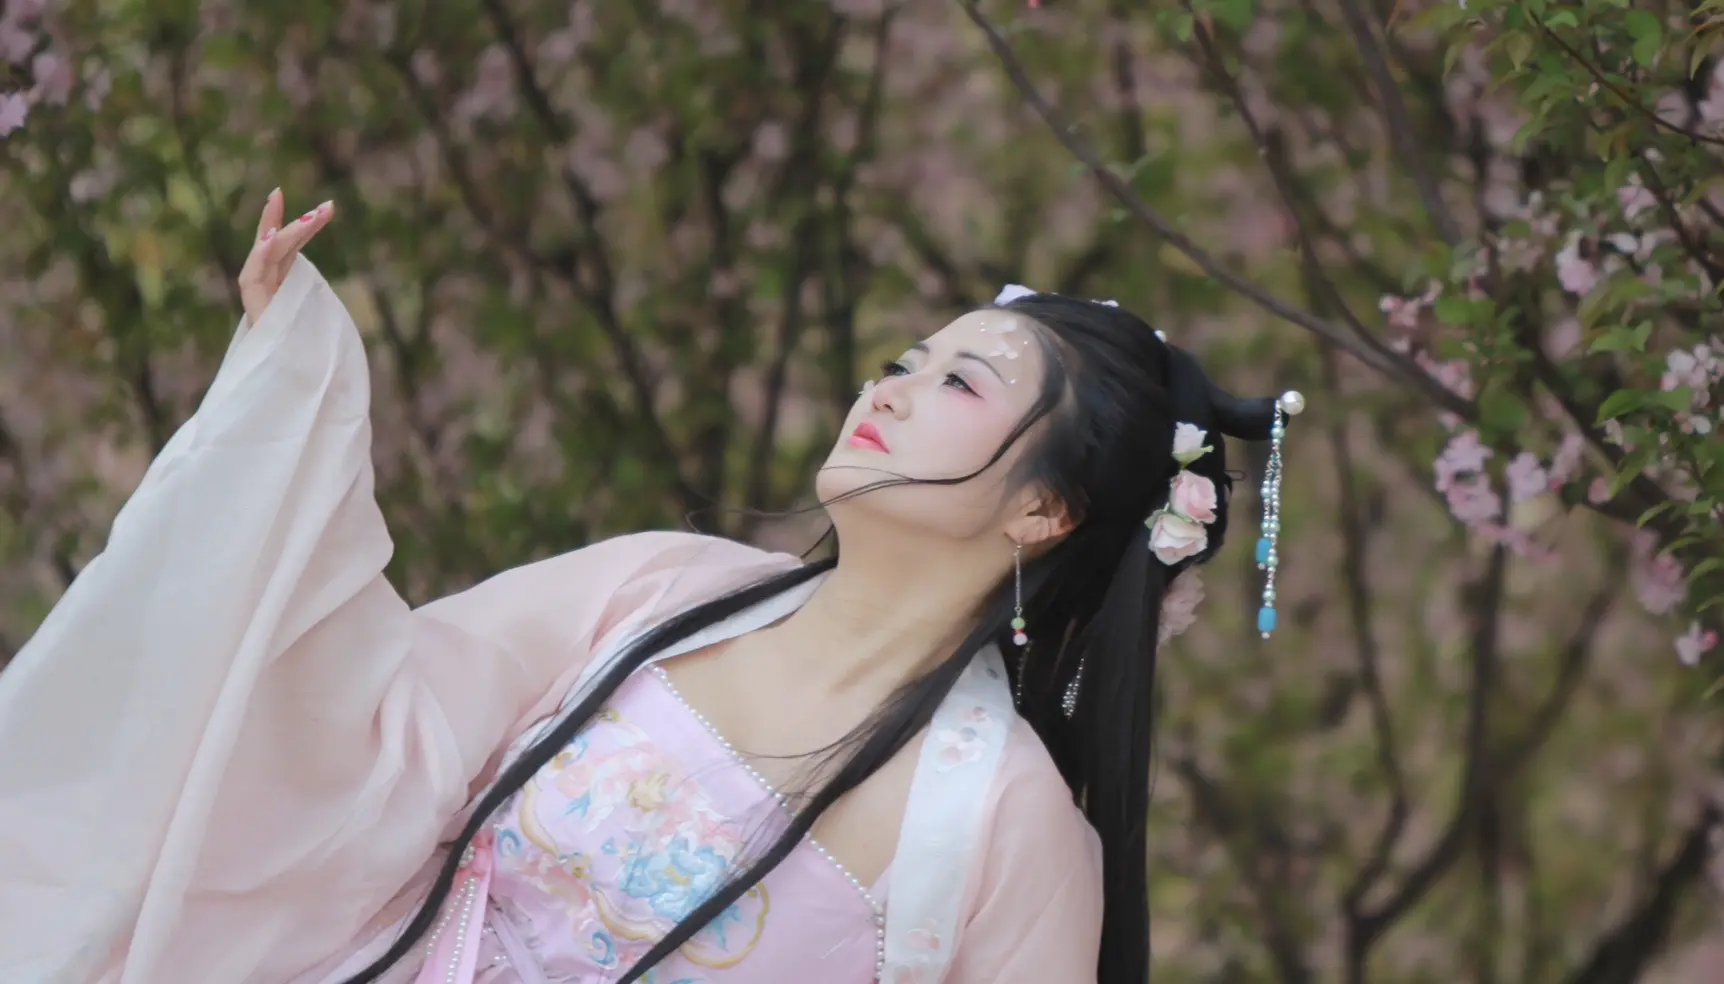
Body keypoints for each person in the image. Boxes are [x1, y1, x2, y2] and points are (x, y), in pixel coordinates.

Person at [0, 190, 1300, 984]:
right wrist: (294, 408)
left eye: (960, 382)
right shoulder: (667, 588)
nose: (890, 388)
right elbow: (372, 714)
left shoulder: (1012, 829)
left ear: (1045, 510)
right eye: (908, 357)